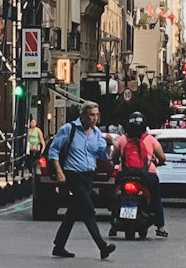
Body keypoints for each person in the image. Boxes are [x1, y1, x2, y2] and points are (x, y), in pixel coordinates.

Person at [48, 100, 116, 261]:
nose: (94, 119)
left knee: (73, 211)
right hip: (73, 174)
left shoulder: (96, 133)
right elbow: (54, 151)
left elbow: (103, 155)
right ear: (83, 116)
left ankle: (59, 245)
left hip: (88, 175)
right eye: (91, 115)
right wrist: (59, 172)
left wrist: (108, 145)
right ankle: (102, 246)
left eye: (97, 115)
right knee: (87, 209)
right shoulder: (69, 129)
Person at [111, 111, 167, 239]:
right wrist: (157, 163)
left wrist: (117, 163)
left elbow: (114, 157)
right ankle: (160, 226)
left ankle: (113, 223)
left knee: (115, 197)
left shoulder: (122, 139)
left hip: (124, 175)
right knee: (156, 199)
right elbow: (162, 157)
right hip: (147, 176)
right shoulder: (150, 140)